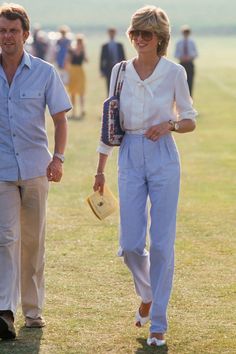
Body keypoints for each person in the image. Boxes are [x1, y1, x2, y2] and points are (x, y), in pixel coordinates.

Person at [94, 5, 197, 347]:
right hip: (130, 155)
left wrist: (168, 125)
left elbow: (189, 118)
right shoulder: (120, 70)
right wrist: (100, 168)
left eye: (146, 34)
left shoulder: (174, 73)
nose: (139, 39)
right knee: (131, 244)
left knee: (163, 244)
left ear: (160, 38)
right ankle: (149, 293)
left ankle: (158, 324)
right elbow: (109, 119)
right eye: (135, 33)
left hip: (164, 156)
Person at [0, 3, 71, 340]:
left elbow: (60, 118)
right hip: (1, 171)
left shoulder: (44, 72)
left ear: (25, 35)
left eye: (13, 31)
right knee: (6, 238)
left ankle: (33, 312)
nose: (7, 37)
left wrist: (58, 158)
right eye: (2, 31)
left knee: (33, 242)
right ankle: (4, 311)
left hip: (35, 169)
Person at [67, 34, 88, 119]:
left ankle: (82, 109)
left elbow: (87, 60)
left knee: (81, 91)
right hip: (73, 71)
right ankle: (74, 110)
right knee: (73, 92)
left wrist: (84, 51)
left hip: (80, 71)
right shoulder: (71, 50)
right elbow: (68, 60)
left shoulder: (83, 51)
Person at [100, 27, 126, 93]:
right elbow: (101, 59)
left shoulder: (119, 45)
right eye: (110, 33)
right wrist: (101, 70)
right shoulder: (104, 46)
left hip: (119, 67)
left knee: (119, 85)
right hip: (108, 68)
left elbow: (123, 57)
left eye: (113, 32)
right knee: (109, 85)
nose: (111, 34)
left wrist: (125, 68)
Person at [174, 25, 198, 96]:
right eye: (185, 32)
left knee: (190, 83)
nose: (186, 33)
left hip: (190, 64)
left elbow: (196, 53)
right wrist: (182, 57)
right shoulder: (179, 42)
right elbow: (176, 54)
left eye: (187, 32)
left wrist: (189, 57)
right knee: (181, 83)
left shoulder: (192, 42)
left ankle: (189, 100)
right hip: (182, 64)